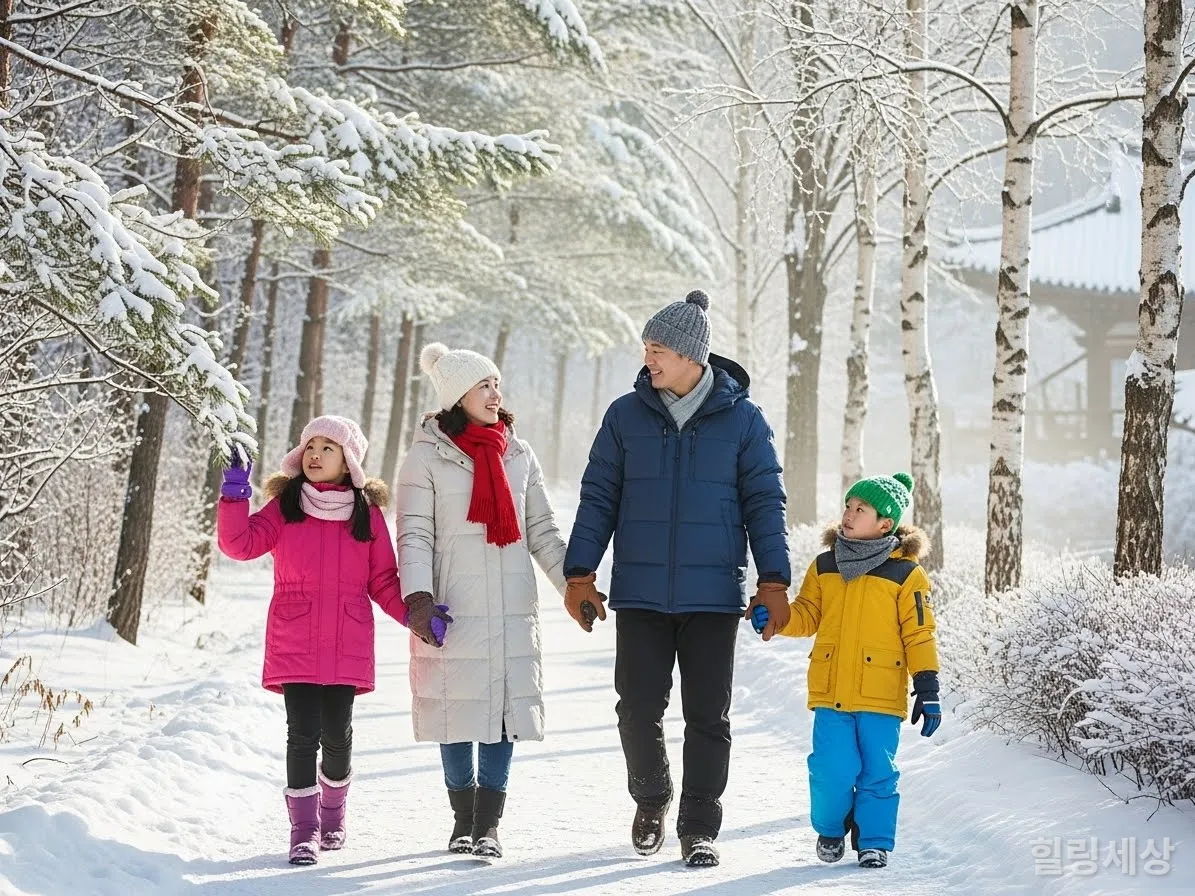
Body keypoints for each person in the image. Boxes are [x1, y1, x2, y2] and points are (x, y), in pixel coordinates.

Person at [563, 289, 792, 867]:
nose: (649, 359)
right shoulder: (624, 416)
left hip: (712, 596)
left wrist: (773, 581)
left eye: (658, 348)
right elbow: (598, 498)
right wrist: (580, 573)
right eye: (646, 347)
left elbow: (766, 502)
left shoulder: (743, 420)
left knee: (707, 716)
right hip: (640, 593)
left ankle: (699, 826)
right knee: (636, 709)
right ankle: (651, 798)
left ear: (693, 355)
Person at [396, 342, 568, 859]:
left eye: (496, 383)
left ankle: (488, 826)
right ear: (457, 396)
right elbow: (414, 533)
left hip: (512, 601)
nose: (495, 394)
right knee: (455, 711)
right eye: (484, 385)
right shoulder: (426, 456)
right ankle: (461, 821)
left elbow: (540, 527)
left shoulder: (518, 452)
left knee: (502, 714)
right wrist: (419, 599)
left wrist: (573, 585)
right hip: (453, 604)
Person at [217, 415, 407, 866]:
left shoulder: (368, 514)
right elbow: (238, 545)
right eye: (311, 446)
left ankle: (333, 815)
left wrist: (416, 617)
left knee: (337, 737)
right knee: (301, 735)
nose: (316, 454)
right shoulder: (286, 507)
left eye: (328, 447)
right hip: (294, 639)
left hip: (347, 641)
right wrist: (235, 491)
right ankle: (303, 831)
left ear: (349, 461)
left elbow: (383, 581)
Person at [763, 472, 941, 869]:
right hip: (831, 690)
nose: (849, 513)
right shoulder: (826, 565)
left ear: (885, 523)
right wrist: (778, 618)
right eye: (848, 505)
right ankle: (831, 827)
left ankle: (873, 840)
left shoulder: (906, 574)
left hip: (880, 695)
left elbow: (920, 632)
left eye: (861, 509)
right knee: (830, 767)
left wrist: (927, 686)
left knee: (879, 772)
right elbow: (808, 615)